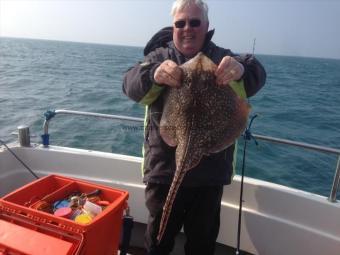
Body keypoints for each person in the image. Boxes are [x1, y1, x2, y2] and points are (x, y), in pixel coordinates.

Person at [123, 0, 266, 254]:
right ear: (173, 26)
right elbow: (130, 83)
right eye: (180, 23)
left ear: (207, 26)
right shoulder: (159, 56)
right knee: (157, 244)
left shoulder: (222, 57)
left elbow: (257, 73)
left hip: (208, 176)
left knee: (201, 245)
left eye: (194, 22)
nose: (187, 28)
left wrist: (241, 69)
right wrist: (154, 74)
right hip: (164, 173)